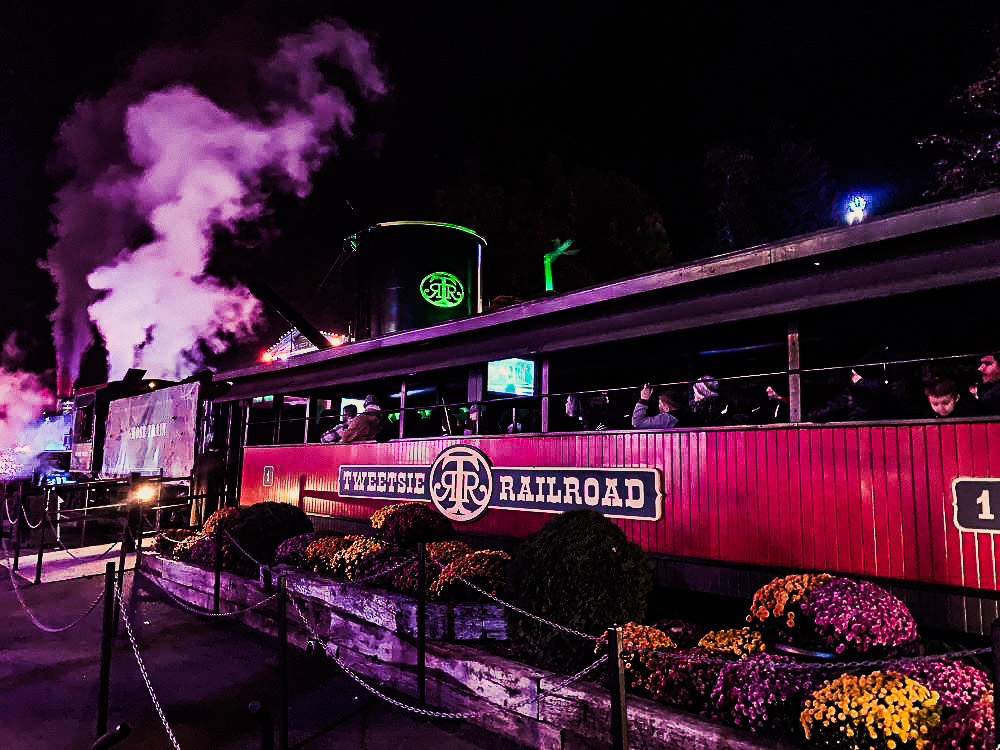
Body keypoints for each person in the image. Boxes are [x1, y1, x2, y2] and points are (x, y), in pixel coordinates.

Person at [190, 445, 226, 527]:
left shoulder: (200, 457)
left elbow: (194, 470)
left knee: (197, 506)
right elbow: (222, 473)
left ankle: (195, 524)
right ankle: (206, 526)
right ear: (217, 450)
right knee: (207, 508)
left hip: (198, 487)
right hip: (211, 487)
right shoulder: (217, 458)